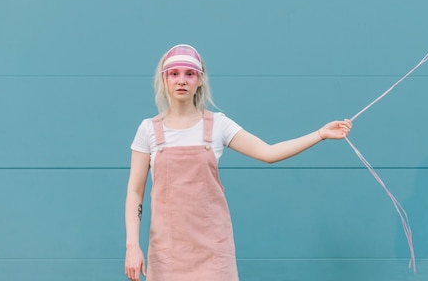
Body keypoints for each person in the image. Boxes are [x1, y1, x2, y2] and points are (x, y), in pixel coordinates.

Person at [124, 44, 352, 281]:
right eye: (175, 74)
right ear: (164, 79)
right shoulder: (148, 130)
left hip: (213, 252)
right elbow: (135, 191)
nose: (182, 80)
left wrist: (320, 134)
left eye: (189, 74)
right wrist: (132, 246)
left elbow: (269, 152)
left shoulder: (219, 125)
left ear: (200, 80)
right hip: (166, 253)